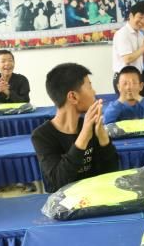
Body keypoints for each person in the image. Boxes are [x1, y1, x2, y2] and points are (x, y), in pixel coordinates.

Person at [31, 63, 119, 192]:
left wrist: (103, 138)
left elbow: (111, 173)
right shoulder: (42, 136)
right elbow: (58, 182)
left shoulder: (92, 126)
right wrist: (84, 136)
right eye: (89, 87)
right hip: (66, 202)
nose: (94, 92)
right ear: (73, 97)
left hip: (96, 196)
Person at [111, 1, 144, 93]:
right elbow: (127, 59)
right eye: (140, 17)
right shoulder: (122, 33)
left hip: (137, 78)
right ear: (131, 16)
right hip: (124, 80)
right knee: (127, 103)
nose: (142, 21)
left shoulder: (140, 35)